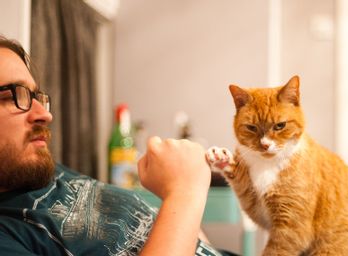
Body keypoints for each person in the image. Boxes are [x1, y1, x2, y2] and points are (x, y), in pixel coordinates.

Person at [0, 35, 236, 256]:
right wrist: (185, 191)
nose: (44, 115)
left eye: (35, 96)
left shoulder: (39, 169)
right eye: (12, 96)